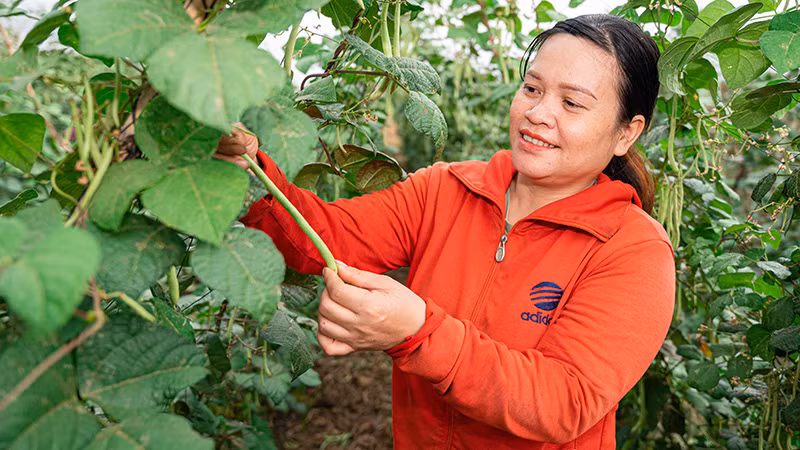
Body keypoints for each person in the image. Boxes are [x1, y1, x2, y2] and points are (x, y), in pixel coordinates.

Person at [215, 13, 675, 449]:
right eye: (532, 88)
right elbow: (326, 238)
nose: (538, 113)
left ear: (627, 133)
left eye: (571, 103)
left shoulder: (633, 249)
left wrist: (417, 331)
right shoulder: (446, 189)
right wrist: (250, 173)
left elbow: (562, 401)